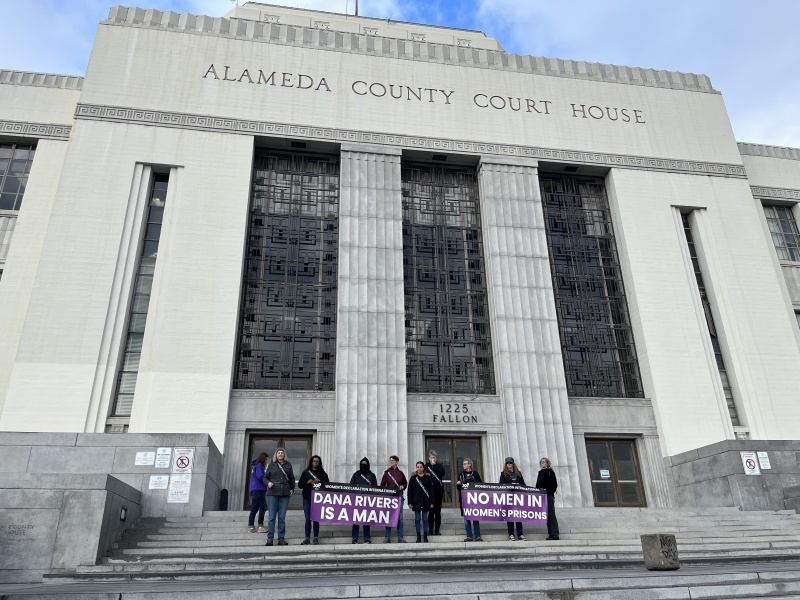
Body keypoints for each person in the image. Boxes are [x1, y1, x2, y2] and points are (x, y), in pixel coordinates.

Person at [263, 447, 295, 546]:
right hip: (273, 493)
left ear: (284, 455)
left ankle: (281, 538)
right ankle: (270, 539)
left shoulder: (288, 465)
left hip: (285, 494)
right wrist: (268, 483)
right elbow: (265, 478)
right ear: (276, 455)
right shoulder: (271, 465)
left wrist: (292, 489)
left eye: (282, 453)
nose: (280, 454)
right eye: (278, 453)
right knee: (272, 517)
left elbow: (292, 478)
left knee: (282, 517)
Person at [298, 454, 329, 545]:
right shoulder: (306, 472)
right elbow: (300, 484)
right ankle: (307, 538)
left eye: (317, 461)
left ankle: (315, 538)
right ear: (311, 462)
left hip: (318, 499)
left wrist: (320, 482)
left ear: (319, 463)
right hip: (307, 497)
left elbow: (328, 485)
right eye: (314, 461)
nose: (315, 463)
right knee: (308, 519)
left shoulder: (323, 473)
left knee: (316, 518)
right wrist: (307, 482)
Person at [380, 455, 407, 543]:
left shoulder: (401, 473)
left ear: (397, 462)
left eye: (393, 460)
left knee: (400, 518)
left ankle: (400, 537)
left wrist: (403, 486)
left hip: (399, 497)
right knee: (388, 517)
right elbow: (382, 485)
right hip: (389, 498)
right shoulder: (386, 473)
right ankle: (387, 537)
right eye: (390, 460)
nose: (391, 462)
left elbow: (405, 483)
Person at [350, 457, 377, 544]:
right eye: (362, 463)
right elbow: (351, 486)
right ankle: (354, 538)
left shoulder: (372, 475)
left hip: (368, 501)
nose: (363, 465)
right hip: (357, 501)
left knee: (366, 520)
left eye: (365, 463)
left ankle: (367, 538)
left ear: (368, 465)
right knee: (356, 521)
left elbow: (375, 488)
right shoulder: (356, 474)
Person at [456, 457, 483, 542]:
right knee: (467, 518)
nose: (463, 465)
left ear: (469, 464)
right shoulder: (461, 474)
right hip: (464, 499)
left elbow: (480, 485)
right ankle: (469, 536)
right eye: (463, 464)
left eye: (465, 464)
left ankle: (477, 535)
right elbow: (458, 488)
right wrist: (458, 484)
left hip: (474, 499)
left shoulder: (475, 474)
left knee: (475, 517)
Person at [499, 457, 526, 541]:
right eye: (507, 463)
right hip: (508, 497)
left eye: (510, 463)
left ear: (513, 464)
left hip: (517, 498)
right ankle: (511, 534)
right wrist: (509, 486)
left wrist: (518, 485)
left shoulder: (518, 473)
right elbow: (501, 485)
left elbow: (523, 485)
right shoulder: (503, 474)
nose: (509, 464)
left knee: (518, 516)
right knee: (510, 516)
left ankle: (520, 534)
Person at [408, 461, 434, 543]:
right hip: (416, 501)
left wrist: (432, 502)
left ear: (423, 468)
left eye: (420, 467)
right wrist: (410, 502)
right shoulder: (413, 478)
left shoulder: (428, 477)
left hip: (426, 501)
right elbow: (410, 491)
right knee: (417, 518)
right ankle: (418, 535)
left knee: (425, 518)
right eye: (418, 467)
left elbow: (431, 490)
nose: (419, 468)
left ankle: (425, 536)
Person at [536, 456, 560, 541]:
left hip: (548, 495)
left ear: (547, 463)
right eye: (541, 462)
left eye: (544, 462)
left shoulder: (550, 472)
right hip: (542, 496)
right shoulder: (540, 473)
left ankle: (555, 534)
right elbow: (537, 485)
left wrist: (547, 490)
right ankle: (551, 533)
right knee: (546, 515)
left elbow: (554, 484)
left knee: (551, 515)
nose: (542, 463)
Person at [424, 450, 446, 536]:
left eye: (434, 457)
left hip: (438, 492)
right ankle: (430, 530)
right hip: (429, 493)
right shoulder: (426, 466)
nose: (432, 459)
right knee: (430, 512)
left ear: (436, 458)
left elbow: (442, 474)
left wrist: (435, 466)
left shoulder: (439, 466)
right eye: (431, 457)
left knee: (437, 512)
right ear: (429, 458)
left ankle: (437, 530)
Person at [247, 452, 269, 533]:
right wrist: (267, 482)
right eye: (266, 459)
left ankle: (251, 526)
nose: (266, 461)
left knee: (254, 508)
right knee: (263, 507)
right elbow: (260, 477)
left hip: (254, 490)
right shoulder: (259, 466)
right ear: (263, 459)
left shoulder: (255, 466)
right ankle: (260, 526)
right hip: (259, 489)